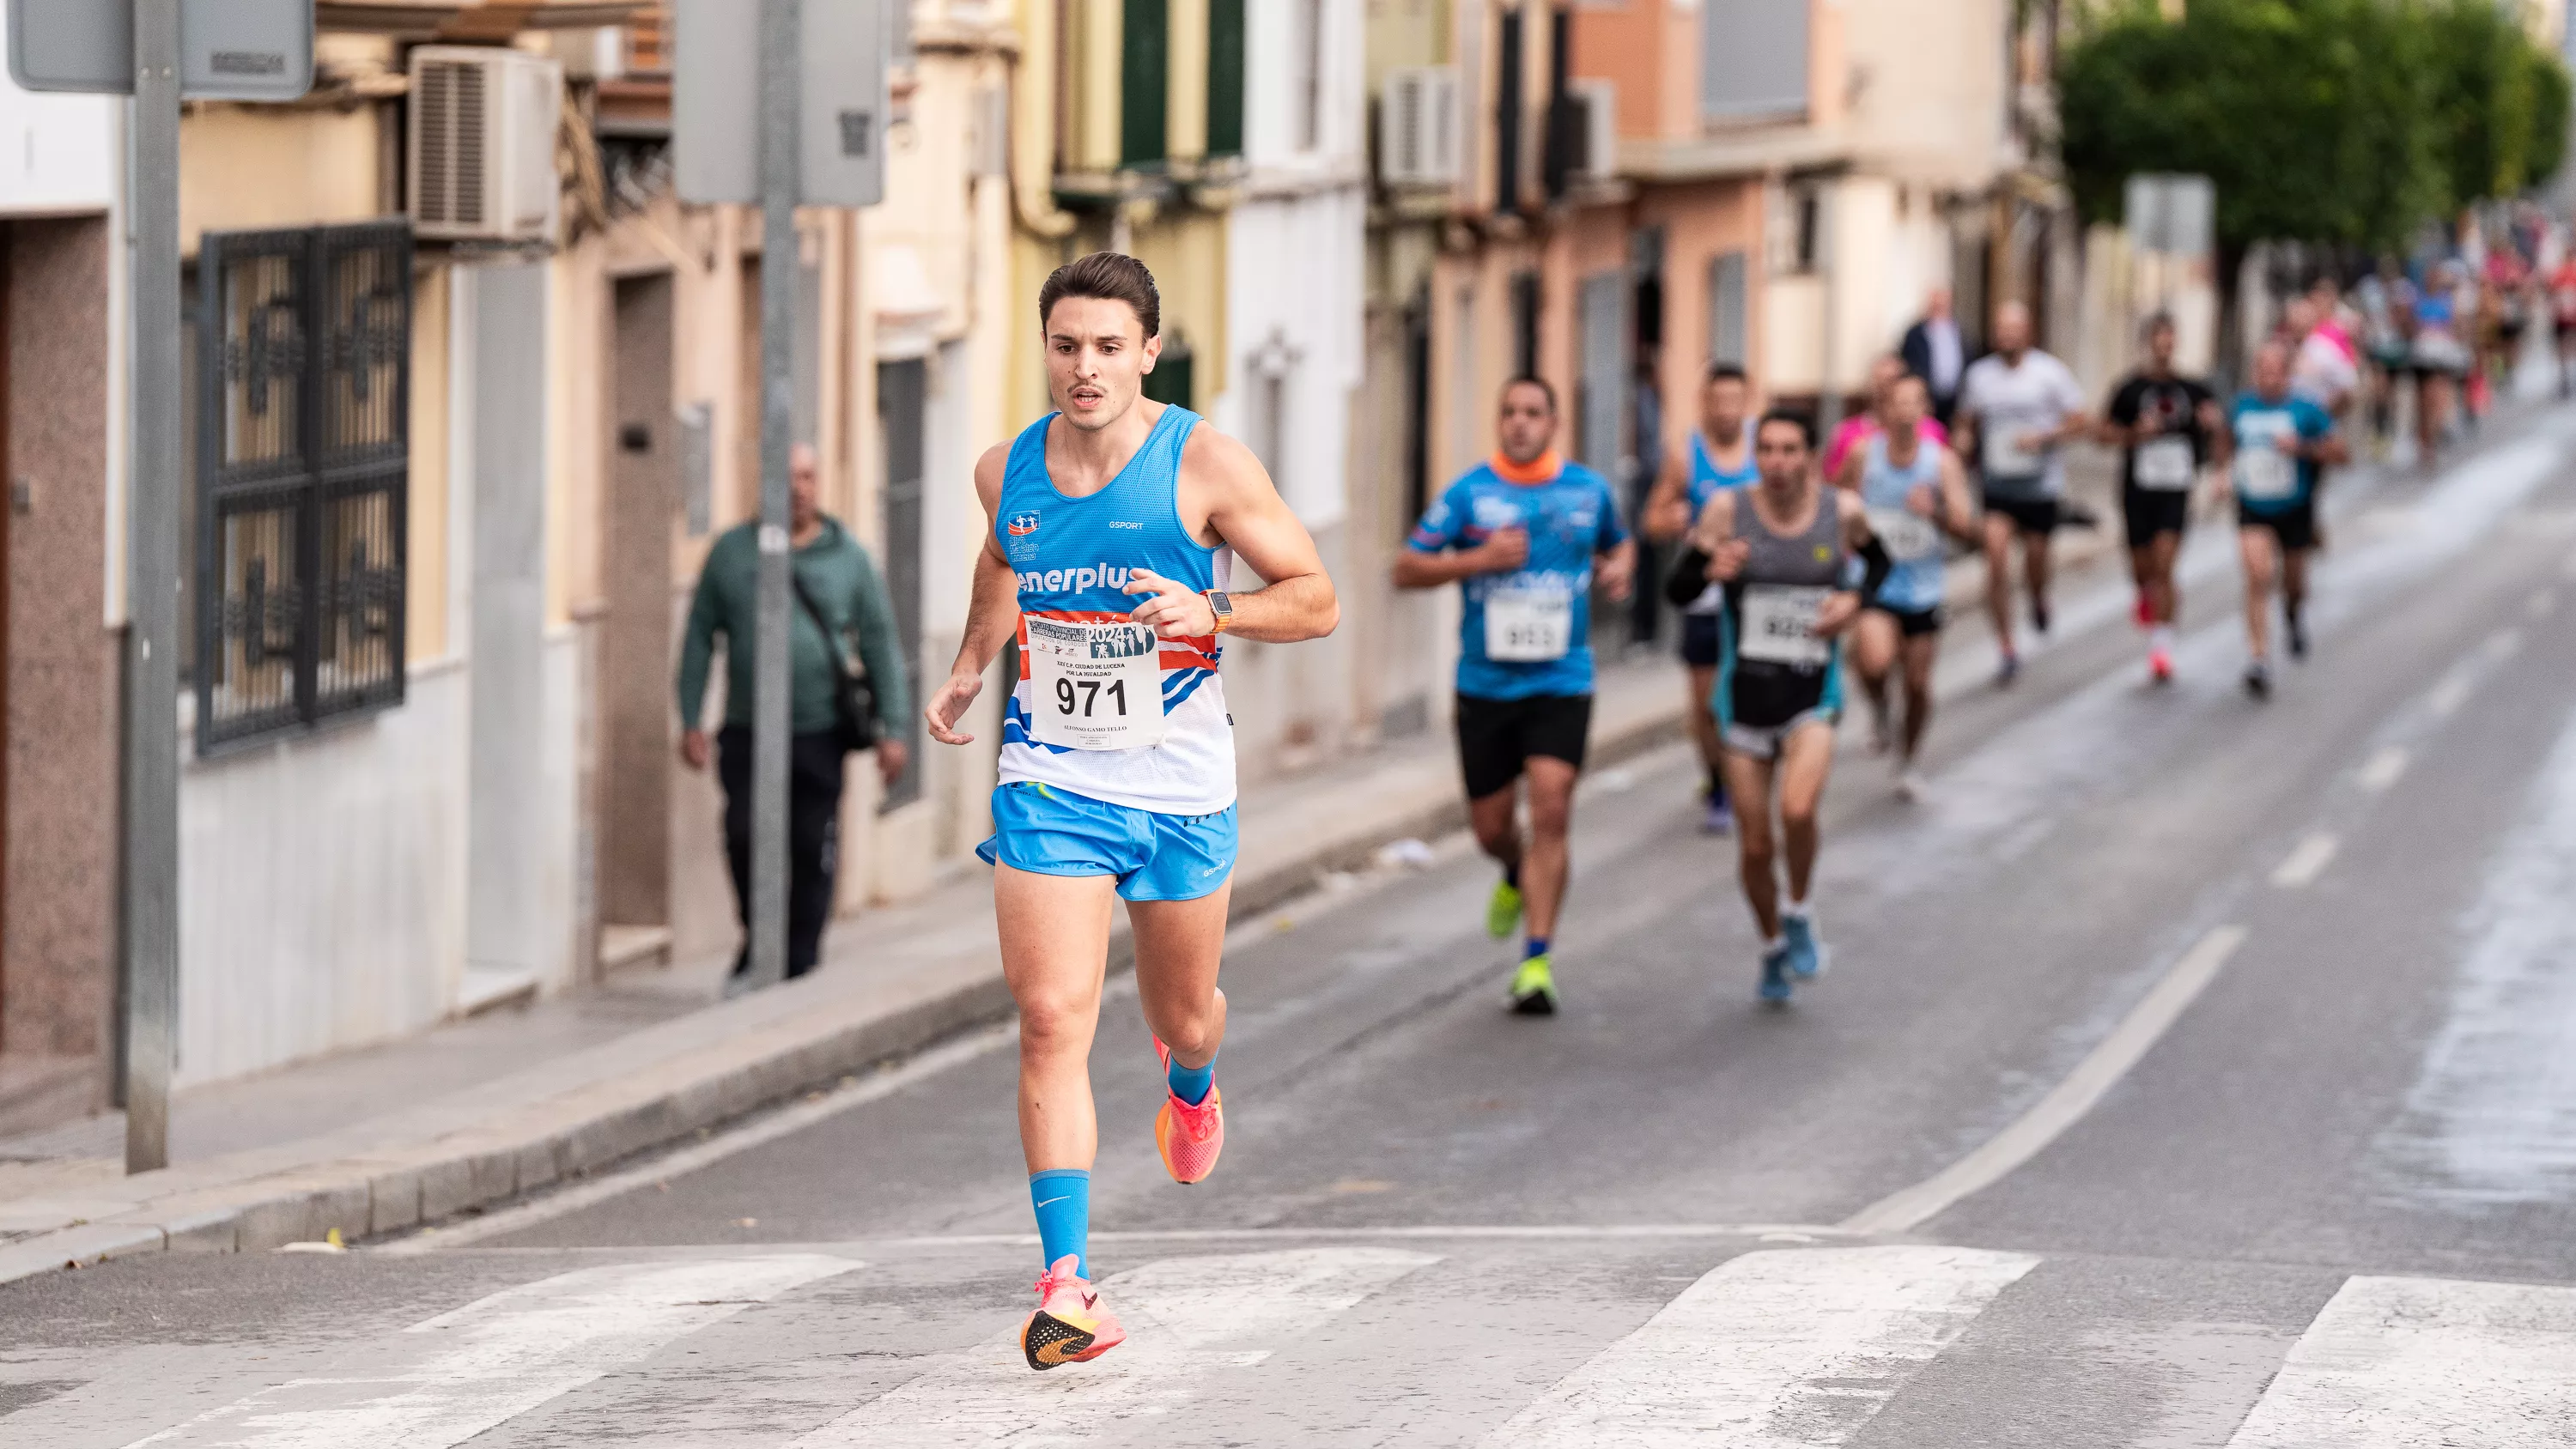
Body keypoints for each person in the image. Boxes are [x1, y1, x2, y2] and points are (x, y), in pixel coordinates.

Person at [920, 252, 1339, 1370]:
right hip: (1052, 777)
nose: (1085, 368)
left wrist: (1211, 609)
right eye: (1066, 346)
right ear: (1044, 348)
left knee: (1179, 1013)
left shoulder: (1200, 462)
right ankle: (1068, 1288)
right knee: (1053, 1017)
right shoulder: (1004, 468)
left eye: (1110, 347)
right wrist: (971, 662)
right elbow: (1007, 557)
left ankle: (1193, 1083)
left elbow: (1317, 598)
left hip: (1180, 787)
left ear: (1148, 351)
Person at [1398, 377, 1633, 1016]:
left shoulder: (1588, 491)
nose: (1520, 423)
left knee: (1553, 809)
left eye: (1532, 413)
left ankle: (1536, 959)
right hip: (1486, 684)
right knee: (1492, 828)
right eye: (1510, 413)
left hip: (1562, 680)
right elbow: (1407, 567)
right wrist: (1477, 561)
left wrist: (1621, 567)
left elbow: (1621, 543)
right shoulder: (1470, 494)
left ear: (1554, 422)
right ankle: (1511, 869)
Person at [677, 442, 911, 994]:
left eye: (807, 475)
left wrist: (894, 730)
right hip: (746, 729)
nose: (798, 487)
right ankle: (760, 943)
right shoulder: (732, 554)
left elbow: (879, 642)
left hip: (819, 732)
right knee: (743, 836)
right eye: (786, 476)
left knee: (810, 843)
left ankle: (800, 958)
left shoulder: (847, 556)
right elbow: (697, 637)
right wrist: (690, 717)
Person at [1676, 411, 1887, 1003]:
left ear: (1811, 455)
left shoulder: (1841, 511)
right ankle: (1771, 945)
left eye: (1790, 450)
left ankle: (1798, 908)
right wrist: (1707, 569)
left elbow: (1881, 566)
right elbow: (1678, 589)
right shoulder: (1726, 510)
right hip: (1742, 701)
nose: (1776, 462)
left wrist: (1851, 600)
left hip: (1811, 694)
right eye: (1765, 449)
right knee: (1754, 845)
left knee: (1796, 811)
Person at [1835, 373, 1973, 797]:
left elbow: (1967, 526)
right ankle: (1878, 709)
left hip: (1923, 588)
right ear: (1884, 410)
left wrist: (1934, 512)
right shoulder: (1863, 455)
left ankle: (1909, 760)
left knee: (1916, 685)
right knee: (1873, 662)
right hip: (1876, 582)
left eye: (1915, 403)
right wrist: (1843, 541)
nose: (1906, 412)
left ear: (1925, 410)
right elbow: (1834, 504)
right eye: (1898, 403)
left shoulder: (1940, 462)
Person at [1643, 363, 1759, 834]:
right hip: (1705, 594)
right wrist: (1669, 522)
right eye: (1719, 400)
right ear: (1704, 404)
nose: (1727, 409)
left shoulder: (1766, 450)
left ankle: (1751, 777)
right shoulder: (1686, 457)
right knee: (1707, 704)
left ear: (1747, 403)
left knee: (1753, 697)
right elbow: (1651, 518)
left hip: (1757, 593)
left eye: (1736, 399)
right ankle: (1717, 785)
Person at [1953, 300, 2088, 684]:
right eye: (2000, 329)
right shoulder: (1979, 376)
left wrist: (2044, 438)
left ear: (2028, 331)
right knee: (1995, 558)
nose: (2007, 335)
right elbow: (1967, 421)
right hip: (1996, 486)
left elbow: (2081, 421)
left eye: (2014, 328)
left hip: (2040, 486)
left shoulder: (2050, 373)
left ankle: (2039, 597)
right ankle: (2007, 646)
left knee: (2036, 559)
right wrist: (1962, 443)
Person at [2215, 340, 2346, 699]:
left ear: (2287, 374)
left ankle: (2292, 612)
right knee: (2257, 575)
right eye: (2262, 371)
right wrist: (2221, 473)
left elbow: (2341, 452)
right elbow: (2225, 441)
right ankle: (2258, 658)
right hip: (2253, 504)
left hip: (2295, 507)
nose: (2268, 378)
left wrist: (2302, 448)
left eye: (2275, 371)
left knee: (2294, 584)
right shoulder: (2242, 406)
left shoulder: (2307, 409)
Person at [2099, 314, 2218, 685]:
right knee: (2142, 569)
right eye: (2159, 339)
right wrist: (2136, 433)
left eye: (2171, 339)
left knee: (2165, 564)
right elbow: (2104, 433)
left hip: (2176, 487)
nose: (2165, 346)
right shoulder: (2130, 389)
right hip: (2138, 489)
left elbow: (2217, 432)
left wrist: (2214, 429)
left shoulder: (2194, 389)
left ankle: (2162, 648)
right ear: (2148, 343)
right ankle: (2149, 593)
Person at [1821, 353, 1951, 482]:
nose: (1885, 389)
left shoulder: (1933, 432)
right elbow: (1832, 486)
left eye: (1892, 381)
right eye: (1879, 381)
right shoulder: (1847, 434)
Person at [1899, 286, 1969, 426]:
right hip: (1926, 399)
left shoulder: (1961, 332)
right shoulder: (1915, 334)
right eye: (1935, 302)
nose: (1939, 306)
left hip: (1956, 400)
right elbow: (1907, 364)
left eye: (1943, 302)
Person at [2548, 245, 2576, 398]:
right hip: (2564, 318)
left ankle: (2567, 377)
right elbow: (2552, 291)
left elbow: (2551, 290)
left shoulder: (2559, 271)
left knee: (2565, 348)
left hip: (2565, 317)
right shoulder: (2559, 272)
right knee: (2566, 348)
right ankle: (2566, 377)